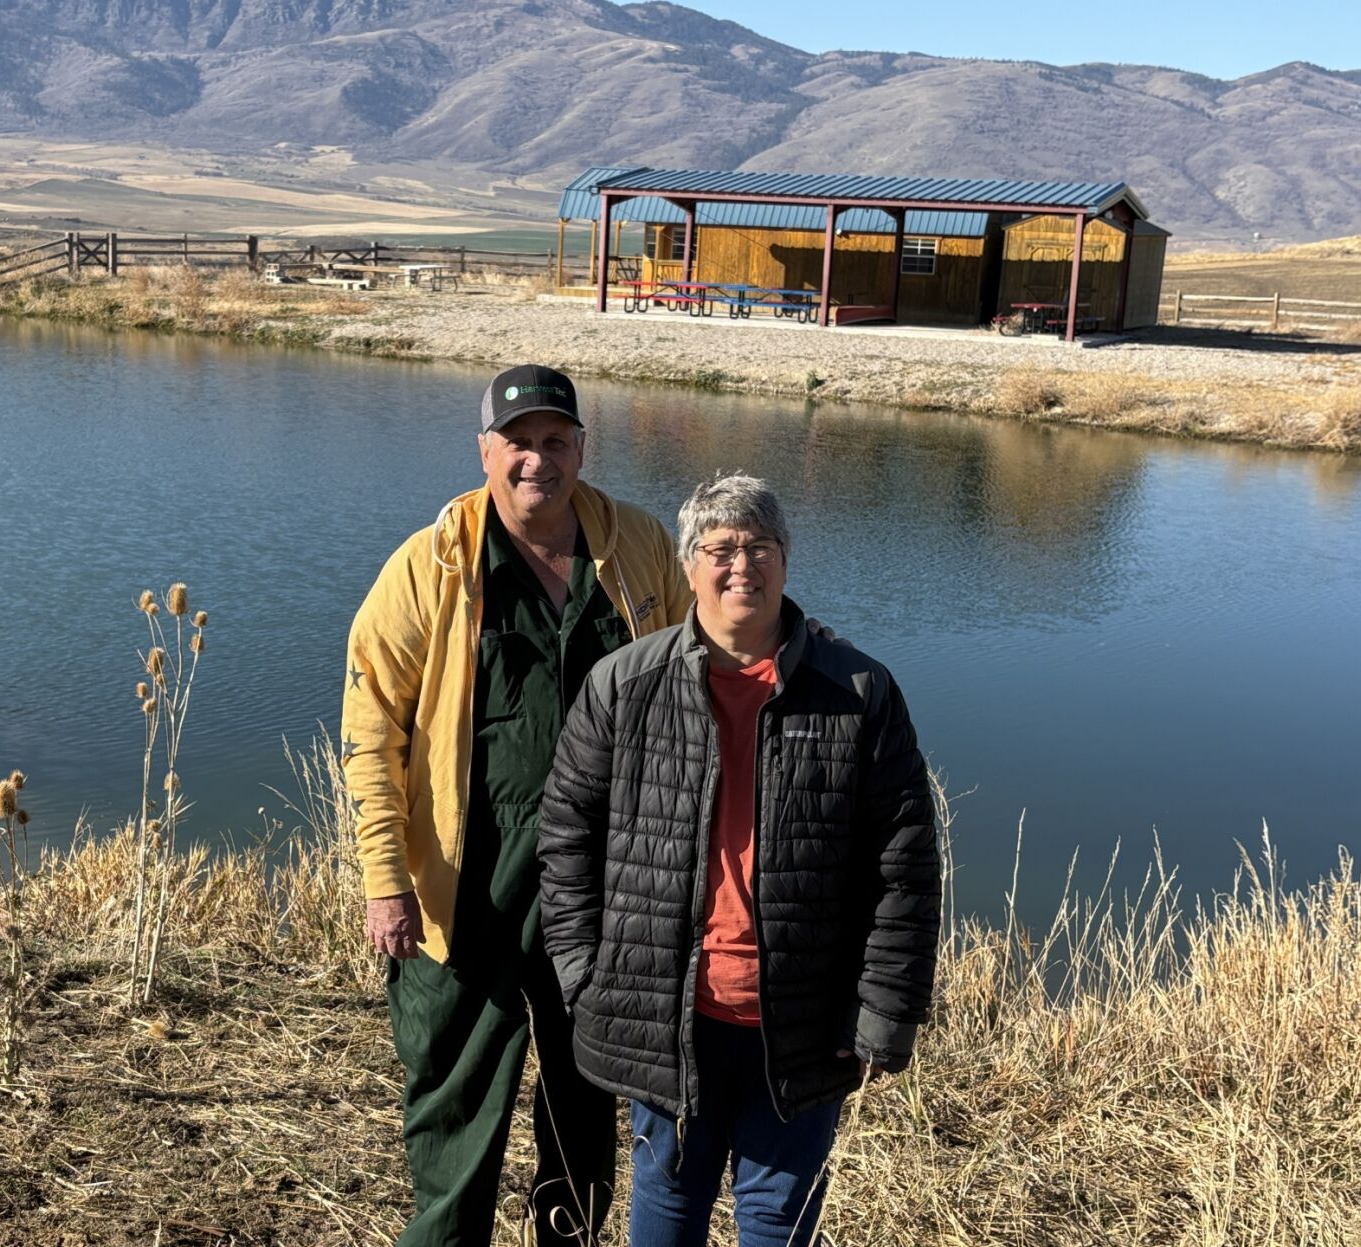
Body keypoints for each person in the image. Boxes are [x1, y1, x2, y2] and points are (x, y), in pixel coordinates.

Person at [537, 472, 941, 1247]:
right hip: (664, 1009)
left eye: (760, 546)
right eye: (720, 548)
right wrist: (586, 973)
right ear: (688, 564)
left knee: (780, 1219)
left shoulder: (858, 691)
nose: (741, 566)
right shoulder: (625, 684)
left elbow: (906, 866)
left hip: (803, 1020)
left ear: (786, 560)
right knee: (666, 1199)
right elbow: (565, 835)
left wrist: (884, 1012)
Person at [340, 363, 693, 1247]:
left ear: (582, 448)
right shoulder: (429, 567)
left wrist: (796, 642)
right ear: (484, 451)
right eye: (518, 442)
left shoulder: (639, 548)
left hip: (607, 891)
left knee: (585, 1108)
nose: (537, 460)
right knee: (453, 1110)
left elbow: (712, 650)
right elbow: (371, 729)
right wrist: (386, 877)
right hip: (469, 889)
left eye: (555, 441)